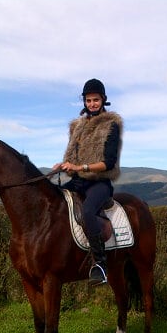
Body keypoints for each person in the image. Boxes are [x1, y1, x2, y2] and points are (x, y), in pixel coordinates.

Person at [53, 78, 123, 286]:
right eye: (88, 100)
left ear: (103, 100)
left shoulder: (111, 125)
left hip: (99, 183)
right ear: (84, 102)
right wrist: (64, 165)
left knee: (88, 211)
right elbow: (73, 158)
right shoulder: (77, 127)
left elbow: (108, 163)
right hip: (77, 182)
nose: (92, 104)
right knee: (53, 201)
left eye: (96, 100)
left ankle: (100, 265)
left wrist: (80, 168)